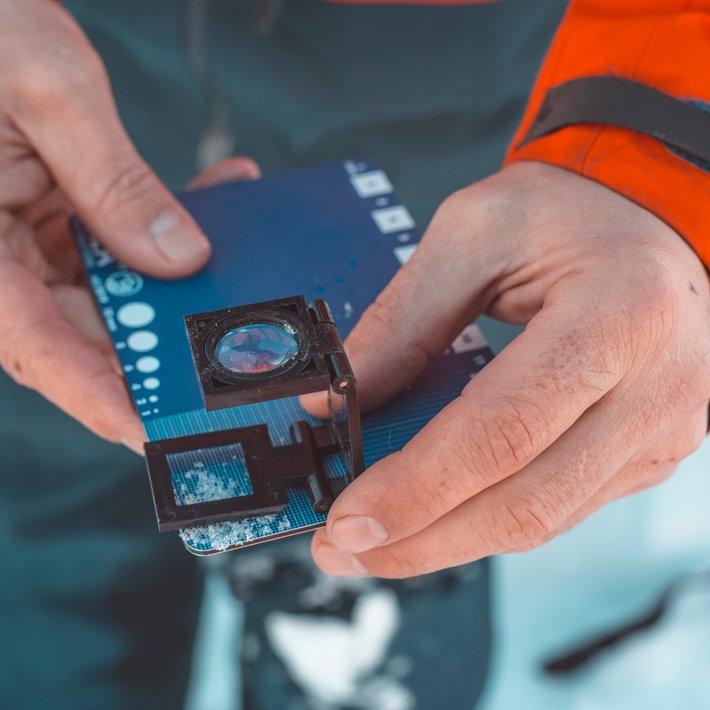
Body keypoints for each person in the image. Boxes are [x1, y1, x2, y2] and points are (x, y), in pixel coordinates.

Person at [0, 0, 707, 708]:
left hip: (433, 69)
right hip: (64, 73)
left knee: (391, 514)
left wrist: (656, 162)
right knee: (56, 521)